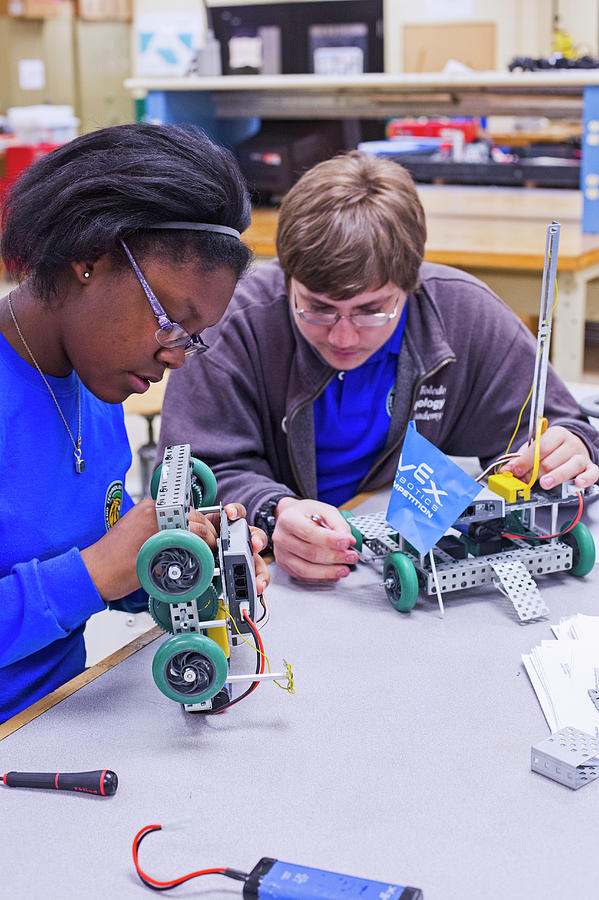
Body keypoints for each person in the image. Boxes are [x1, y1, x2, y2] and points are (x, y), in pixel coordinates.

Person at [156, 150, 599, 584]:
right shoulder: (231, 323)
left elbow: (557, 426)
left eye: (371, 311)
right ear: (287, 277)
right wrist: (273, 511)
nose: (343, 337)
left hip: (387, 563)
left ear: (411, 283)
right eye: (318, 308)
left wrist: (569, 449)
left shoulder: (465, 314)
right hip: (271, 573)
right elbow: (192, 478)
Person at [0, 123, 270, 724]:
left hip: (61, 719)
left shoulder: (98, 381)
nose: (175, 355)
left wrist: (178, 564)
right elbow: (83, 576)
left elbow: (90, 569)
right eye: (170, 320)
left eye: (192, 338)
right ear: (89, 260)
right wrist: (93, 573)